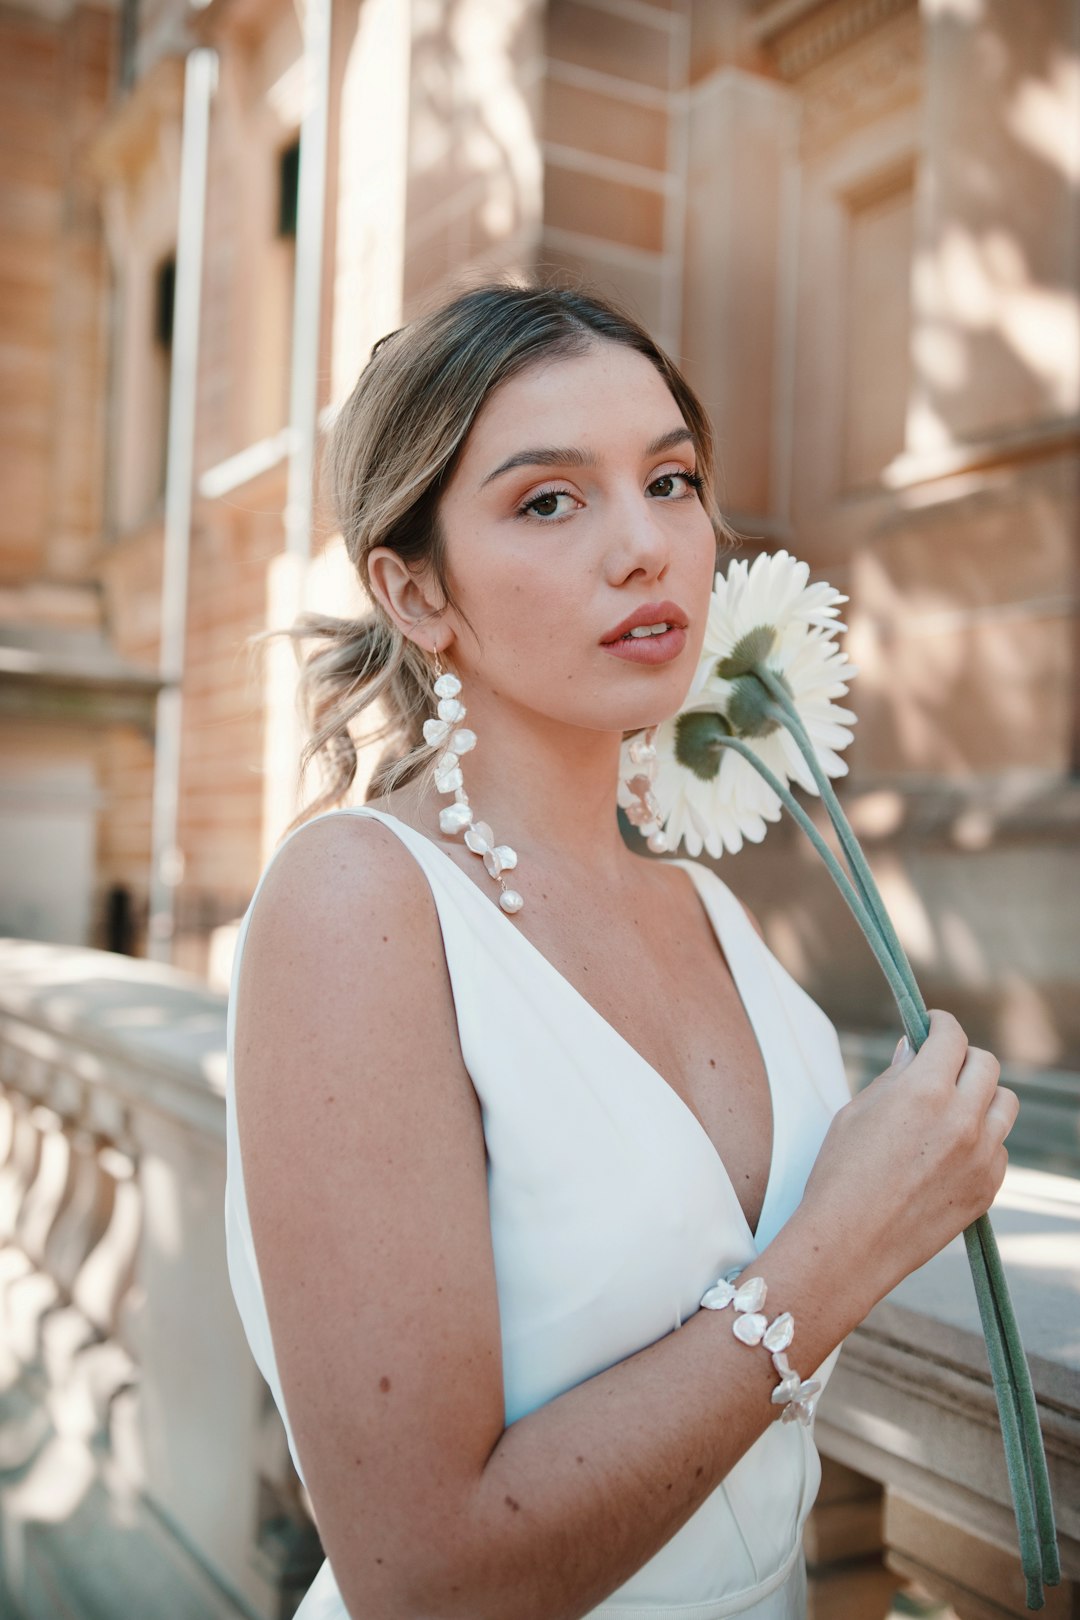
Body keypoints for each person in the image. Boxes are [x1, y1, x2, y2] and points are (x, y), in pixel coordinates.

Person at [224, 279, 1018, 1620]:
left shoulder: (715, 915)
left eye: (672, 479)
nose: (647, 546)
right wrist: (840, 1249)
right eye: (550, 499)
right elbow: (427, 1582)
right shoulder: (360, 905)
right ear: (413, 591)